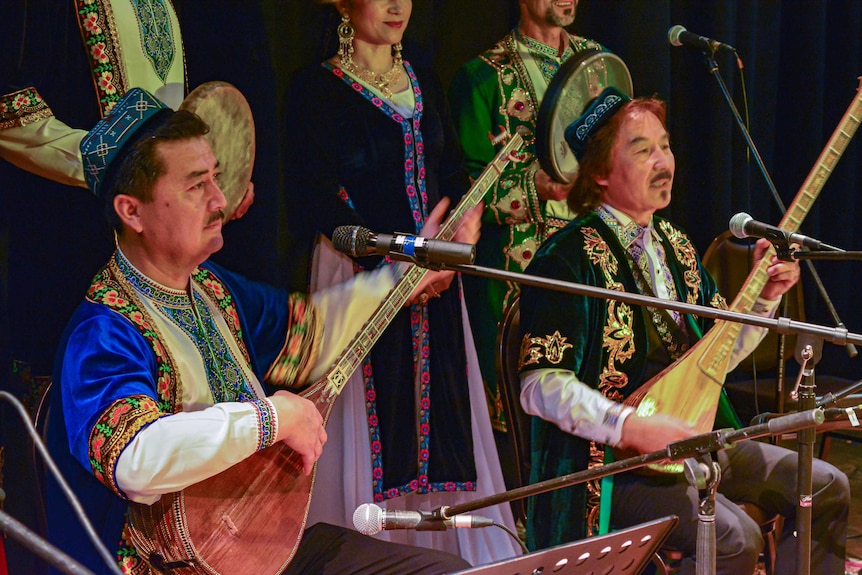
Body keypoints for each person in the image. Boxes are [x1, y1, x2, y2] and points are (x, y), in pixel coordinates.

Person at [45, 87, 472, 575]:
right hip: (168, 567)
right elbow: (136, 459)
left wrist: (404, 276)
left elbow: (311, 332)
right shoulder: (103, 330)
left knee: (447, 572)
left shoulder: (210, 288)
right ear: (132, 211)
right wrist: (270, 419)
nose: (220, 200)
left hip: (253, 552)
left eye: (216, 179)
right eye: (194, 186)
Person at [517, 87, 850, 575]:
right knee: (736, 538)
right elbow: (538, 385)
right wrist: (628, 426)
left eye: (665, 145)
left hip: (694, 437)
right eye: (642, 149)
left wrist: (764, 298)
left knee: (827, 485)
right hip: (609, 467)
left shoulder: (675, 247)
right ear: (601, 174)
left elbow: (717, 355)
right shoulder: (564, 258)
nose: (663, 160)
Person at [281, 0, 520, 565]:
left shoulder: (421, 78)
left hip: (437, 274)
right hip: (360, 271)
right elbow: (313, 199)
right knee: (373, 420)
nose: (396, 6)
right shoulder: (317, 90)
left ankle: (440, 557)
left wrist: (466, 217)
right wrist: (387, 265)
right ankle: (373, 557)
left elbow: (452, 170)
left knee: (443, 418)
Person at [448, 0, 605, 438]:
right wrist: (536, 185)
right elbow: (466, 184)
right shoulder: (482, 77)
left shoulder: (600, 66)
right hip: (518, 271)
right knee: (521, 418)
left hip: (592, 260)